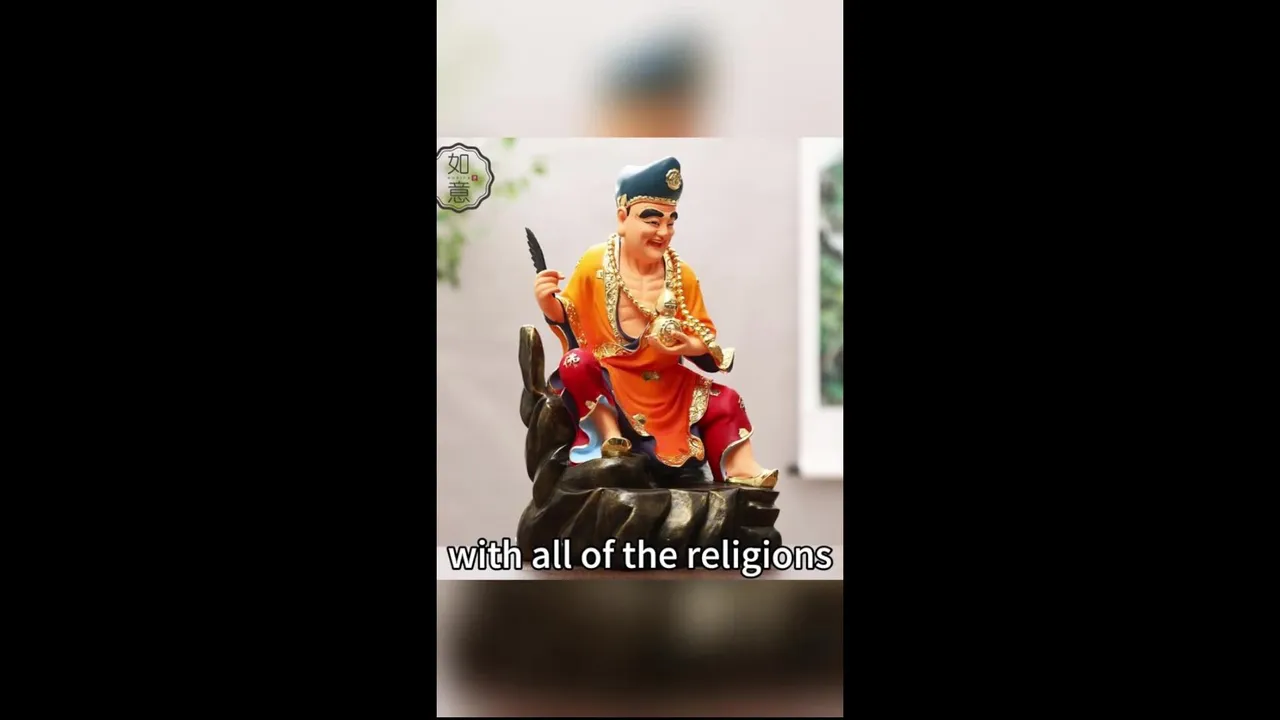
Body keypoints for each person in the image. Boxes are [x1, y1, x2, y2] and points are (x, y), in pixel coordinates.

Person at [533, 157, 777, 488]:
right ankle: (609, 437)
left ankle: (740, 468)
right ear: (623, 218)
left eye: (670, 222)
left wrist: (689, 345)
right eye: (652, 221)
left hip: (666, 383)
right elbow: (570, 315)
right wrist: (547, 300)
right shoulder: (596, 263)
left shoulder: (681, 274)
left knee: (726, 399)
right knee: (575, 363)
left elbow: (704, 337)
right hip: (613, 376)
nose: (663, 232)